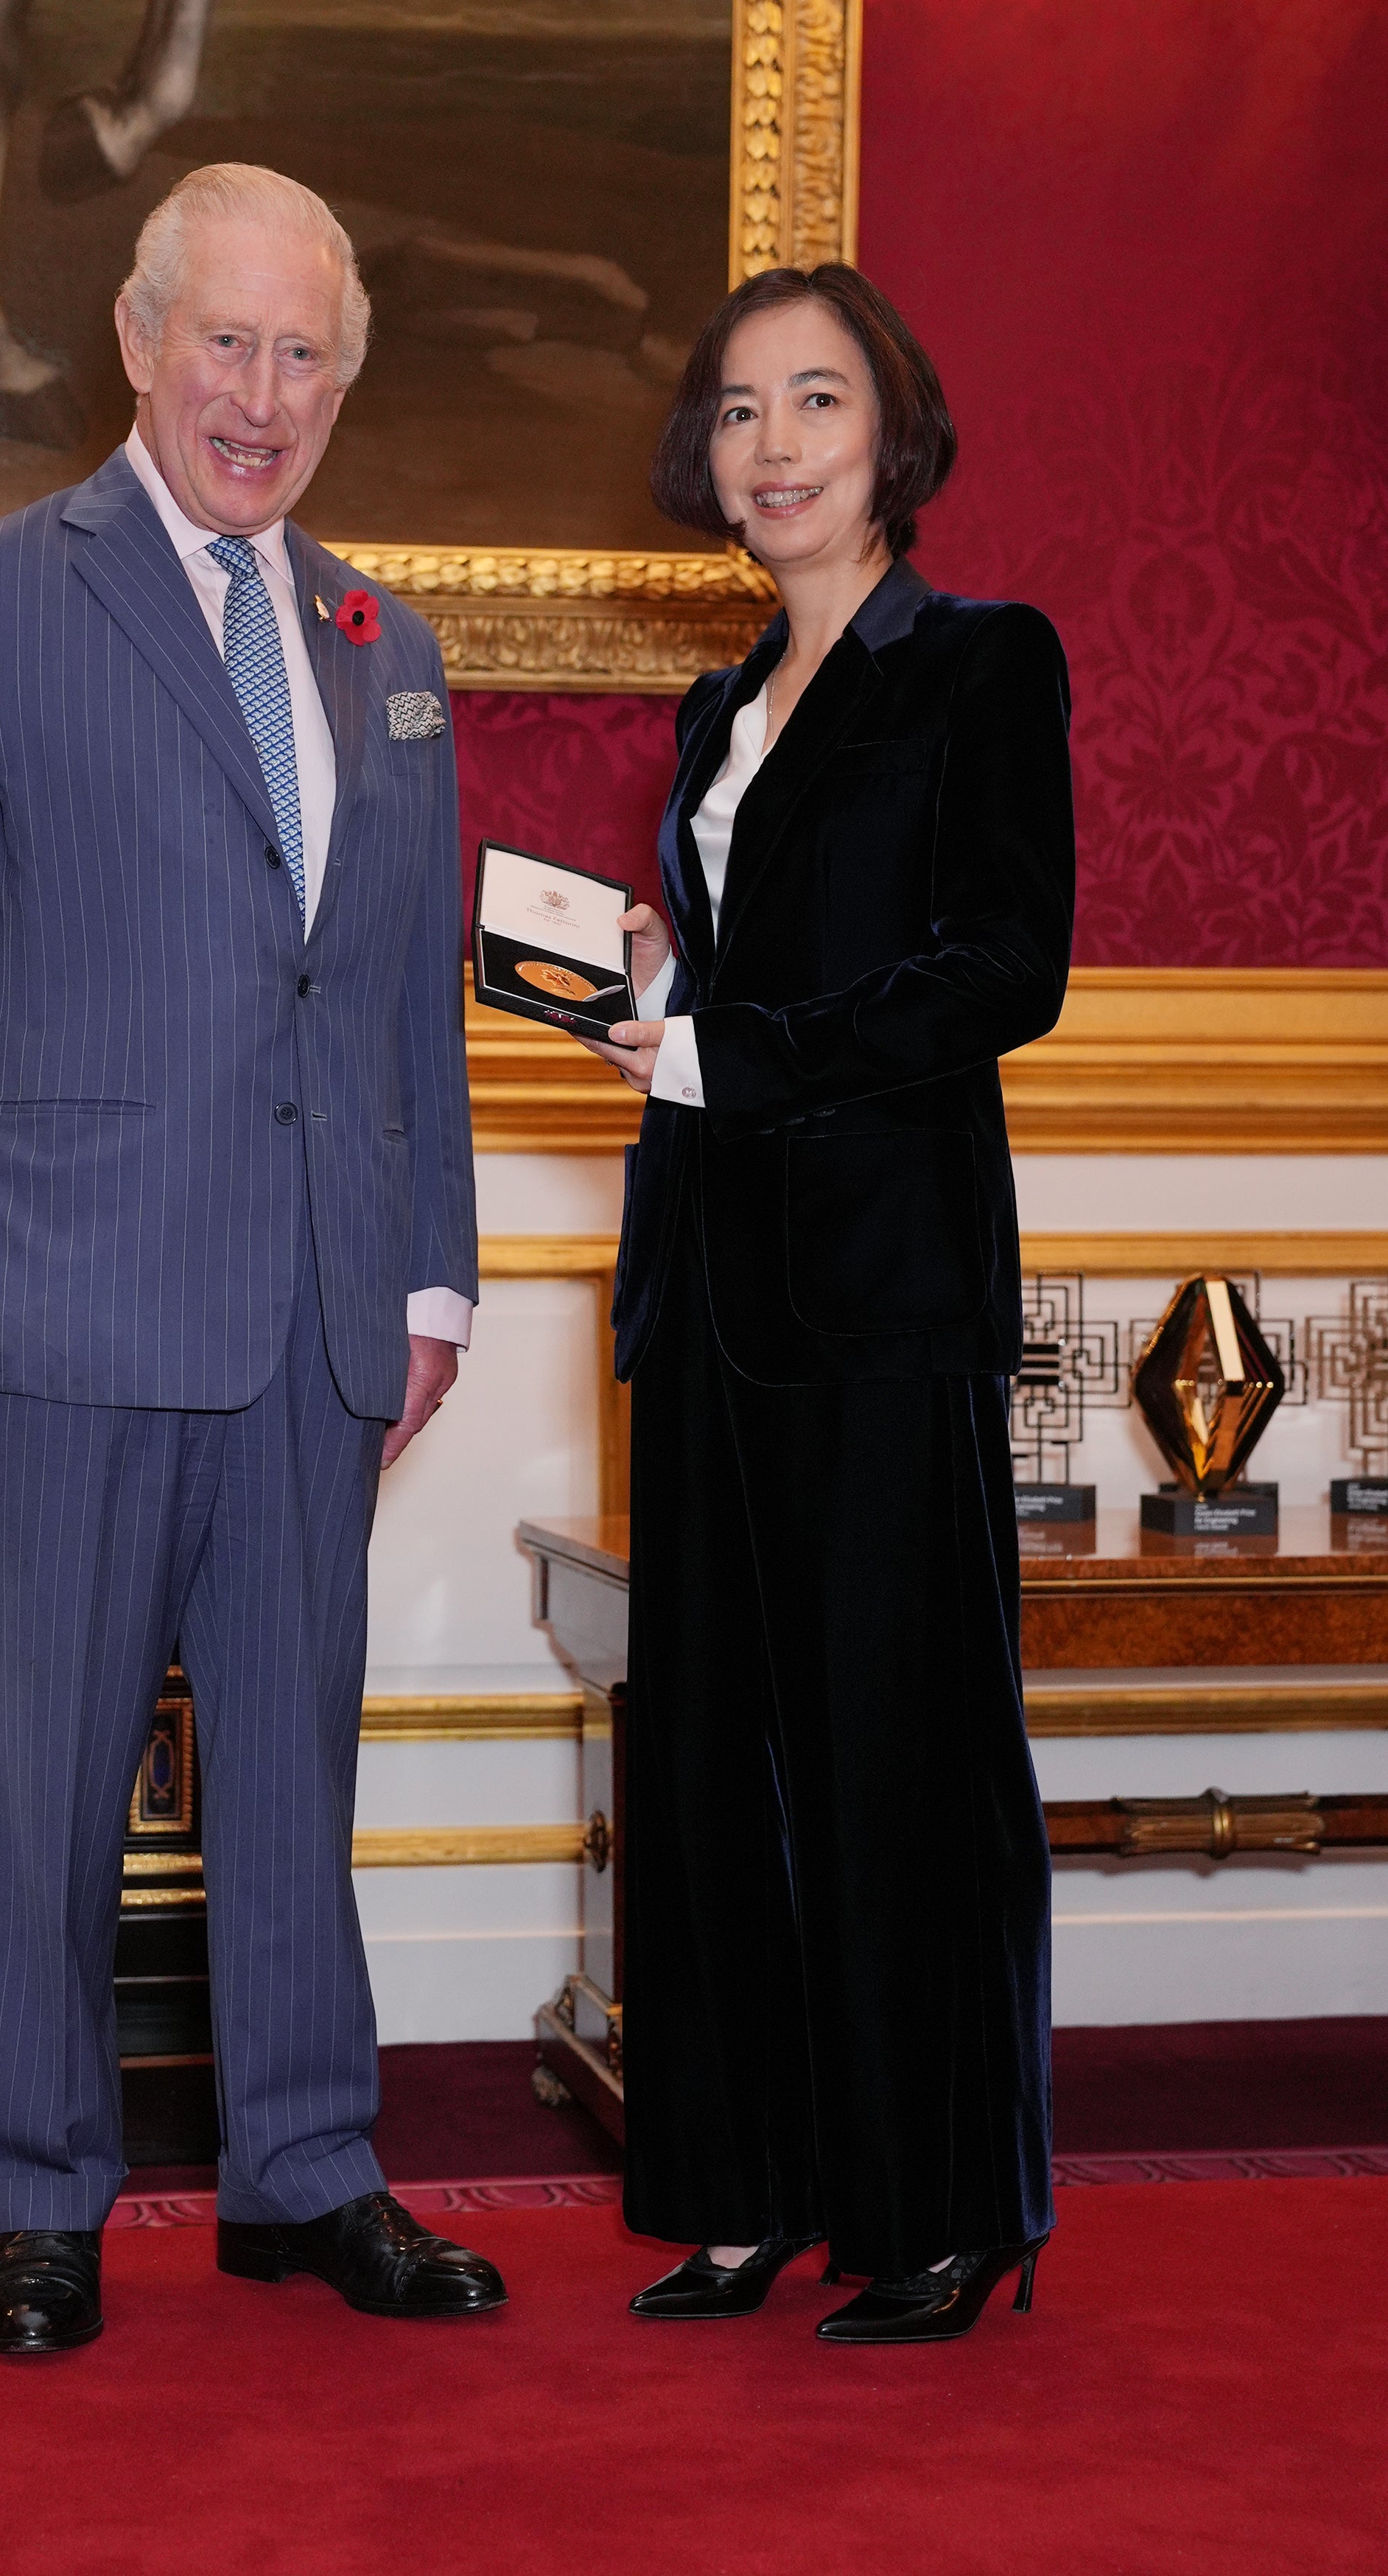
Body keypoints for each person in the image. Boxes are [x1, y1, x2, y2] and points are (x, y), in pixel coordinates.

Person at [0, 162, 505, 2352]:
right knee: (47, 1779)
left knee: (297, 1774)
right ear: (136, 343)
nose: (265, 393)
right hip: (57, 1295)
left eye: (308, 357)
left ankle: (307, 2175)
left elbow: (401, 996)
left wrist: (430, 1281)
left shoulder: (380, 643)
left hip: (316, 1311)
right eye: (230, 341)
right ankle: (42, 2194)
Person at [581, 263, 1073, 2343]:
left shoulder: (977, 665)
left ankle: (940, 2210)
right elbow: (764, 985)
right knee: (708, 1756)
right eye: (736, 411)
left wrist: (734, 1051)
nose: (771, 445)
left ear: (894, 437)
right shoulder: (711, 708)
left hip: (881, 1302)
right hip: (706, 1295)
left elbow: (998, 971)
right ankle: (745, 2186)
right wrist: (661, 994)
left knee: (894, 1756)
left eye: (816, 403)